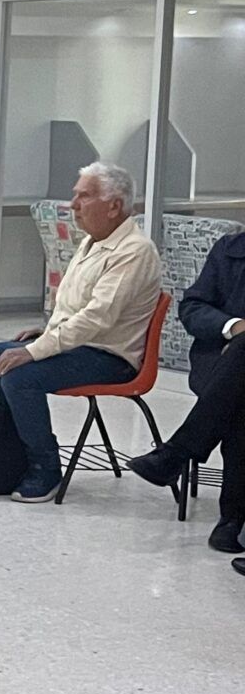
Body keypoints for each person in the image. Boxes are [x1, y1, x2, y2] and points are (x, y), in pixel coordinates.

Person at [0, 163, 161, 502]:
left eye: (85, 196)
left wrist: (34, 351)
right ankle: (9, 454)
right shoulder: (93, 242)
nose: (73, 204)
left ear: (114, 206)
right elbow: (76, 306)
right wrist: (47, 331)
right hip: (78, 344)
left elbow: (97, 318)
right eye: (75, 195)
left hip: (109, 357)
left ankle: (45, 467)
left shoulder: (134, 251)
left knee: (20, 377)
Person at [129, 230, 245, 556]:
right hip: (221, 362)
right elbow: (193, 306)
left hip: (230, 374)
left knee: (238, 399)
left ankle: (177, 456)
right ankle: (233, 519)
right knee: (238, 391)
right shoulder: (230, 249)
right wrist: (233, 327)